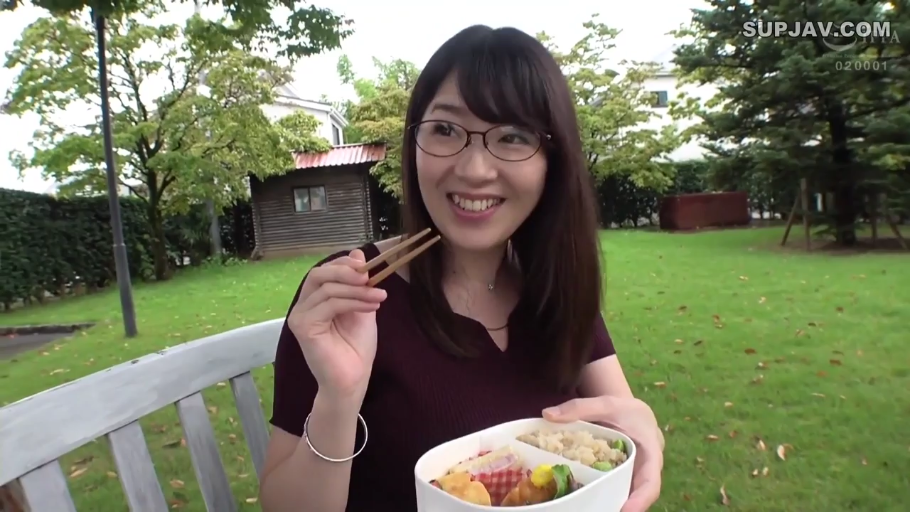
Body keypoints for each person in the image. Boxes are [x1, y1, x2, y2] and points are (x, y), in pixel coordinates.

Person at [258, 24, 664, 512]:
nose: (474, 170)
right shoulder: (352, 293)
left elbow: (621, 419)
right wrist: (339, 398)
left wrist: (643, 429)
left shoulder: (552, 283)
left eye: (512, 137)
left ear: (553, 162)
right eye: (446, 130)